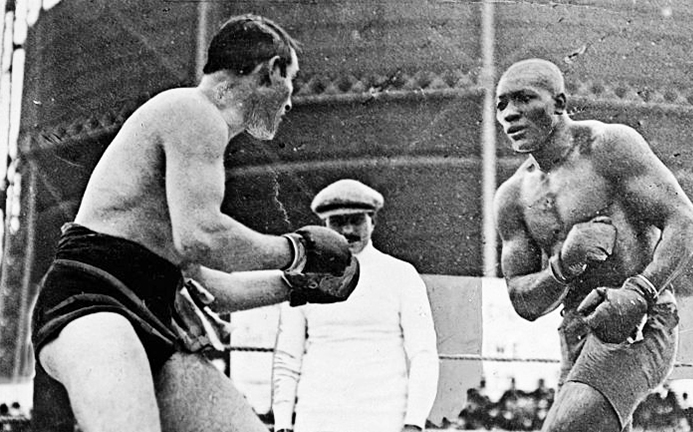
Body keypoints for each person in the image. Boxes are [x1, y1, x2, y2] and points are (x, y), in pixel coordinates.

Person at [30, 14, 359, 432]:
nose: (291, 102)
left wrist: (298, 286)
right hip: (93, 304)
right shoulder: (194, 111)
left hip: (151, 312)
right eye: (290, 80)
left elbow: (209, 287)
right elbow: (201, 236)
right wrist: (299, 251)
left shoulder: (197, 131)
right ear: (272, 70)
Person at [492, 58, 693, 432]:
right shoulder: (512, 196)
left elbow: (687, 224)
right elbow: (522, 300)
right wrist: (563, 266)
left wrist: (639, 292)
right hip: (576, 332)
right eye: (502, 104)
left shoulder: (607, 146)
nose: (510, 114)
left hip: (637, 323)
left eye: (524, 99)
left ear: (559, 103)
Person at [271, 179, 440, 432]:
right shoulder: (303, 278)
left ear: (373, 220)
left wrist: (414, 422)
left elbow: (423, 353)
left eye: (357, 220)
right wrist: (283, 424)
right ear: (324, 225)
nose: (348, 230)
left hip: (384, 417)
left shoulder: (401, 274)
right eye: (338, 222)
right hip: (318, 417)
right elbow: (288, 357)